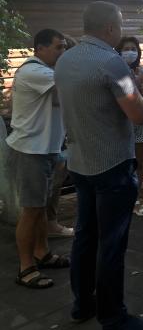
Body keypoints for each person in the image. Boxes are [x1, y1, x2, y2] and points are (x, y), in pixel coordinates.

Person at [55, 1, 143, 329]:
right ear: (110, 28)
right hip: (111, 165)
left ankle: (82, 304)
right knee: (111, 243)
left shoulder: (65, 59)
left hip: (80, 162)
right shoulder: (112, 63)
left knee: (85, 236)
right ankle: (114, 317)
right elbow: (138, 114)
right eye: (121, 25)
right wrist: (139, 93)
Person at [8, 29, 69, 289]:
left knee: (41, 207)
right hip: (31, 151)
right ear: (40, 49)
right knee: (31, 210)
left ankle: (42, 253)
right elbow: (71, 85)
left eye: (65, 47)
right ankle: (25, 268)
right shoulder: (34, 71)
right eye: (59, 47)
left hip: (47, 150)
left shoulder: (48, 71)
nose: (63, 52)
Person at [115, 37, 143, 216]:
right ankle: (122, 199)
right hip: (121, 123)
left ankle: (135, 199)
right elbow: (123, 94)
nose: (130, 52)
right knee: (123, 163)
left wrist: (142, 102)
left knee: (137, 163)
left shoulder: (141, 71)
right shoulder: (116, 71)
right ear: (119, 51)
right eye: (126, 49)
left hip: (139, 122)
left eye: (133, 49)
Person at [47, 33, 79, 238]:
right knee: (48, 187)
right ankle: (46, 226)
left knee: (56, 185)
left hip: (61, 139)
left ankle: (51, 223)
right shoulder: (47, 75)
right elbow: (61, 99)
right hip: (47, 143)